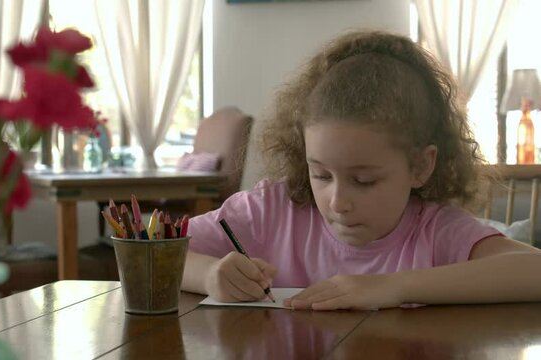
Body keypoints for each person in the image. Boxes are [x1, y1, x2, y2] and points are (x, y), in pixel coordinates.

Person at [180, 30, 541, 310]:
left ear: (420, 166)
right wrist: (211, 275)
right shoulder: (270, 211)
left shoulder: (434, 231)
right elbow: (156, 253)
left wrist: (394, 287)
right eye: (321, 175)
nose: (337, 202)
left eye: (363, 180)